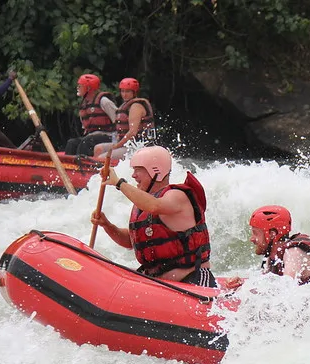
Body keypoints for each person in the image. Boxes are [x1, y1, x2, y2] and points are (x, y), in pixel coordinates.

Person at [90, 145, 216, 287]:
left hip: (194, 280)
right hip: (158, 284)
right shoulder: (143, 202)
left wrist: (119, 183)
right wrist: (107, 225)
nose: (133, 175)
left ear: (156, 171)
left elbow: (154, 206)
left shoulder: (176, 196)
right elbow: (130, 241)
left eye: (138, 170)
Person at [248, 205, 310, 284]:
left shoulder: (293, 253)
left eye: (255, 233)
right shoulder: (271, 258)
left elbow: (287, 289)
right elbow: (264, 285)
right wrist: (241, 284)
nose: (251, 239)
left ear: (272, 234)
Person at [94, 77, 156, 159]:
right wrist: (116, 144)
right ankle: (93, 170)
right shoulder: (125, 106)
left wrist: (117, 146)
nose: (124, 94)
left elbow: (132, 133)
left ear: (134, 92)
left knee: (102, 158)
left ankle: (105, 170)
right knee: (98, 148)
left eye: (127, 91)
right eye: (122, 91)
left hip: (138, 147)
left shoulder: (136, 106)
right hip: (126, 145)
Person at [64, 74, 117, 156]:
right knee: (72, 143)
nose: (78, 88)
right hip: (92, 136)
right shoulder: (84, 104)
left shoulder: (103, 101)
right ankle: (67, 166)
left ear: (88, 88)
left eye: (80, 86)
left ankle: (82, 165)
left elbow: (118, 119)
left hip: (108, 135)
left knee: (87, 141)